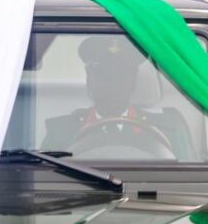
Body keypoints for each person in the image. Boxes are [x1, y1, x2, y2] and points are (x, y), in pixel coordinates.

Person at [41, 36, 194, 159]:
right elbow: (46, 179)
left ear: (133, 82)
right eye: (103, 74)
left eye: (121, 75)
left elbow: (191, 180)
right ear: (89, 81)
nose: (112, 83)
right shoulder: (61, 132)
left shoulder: (168, 127)